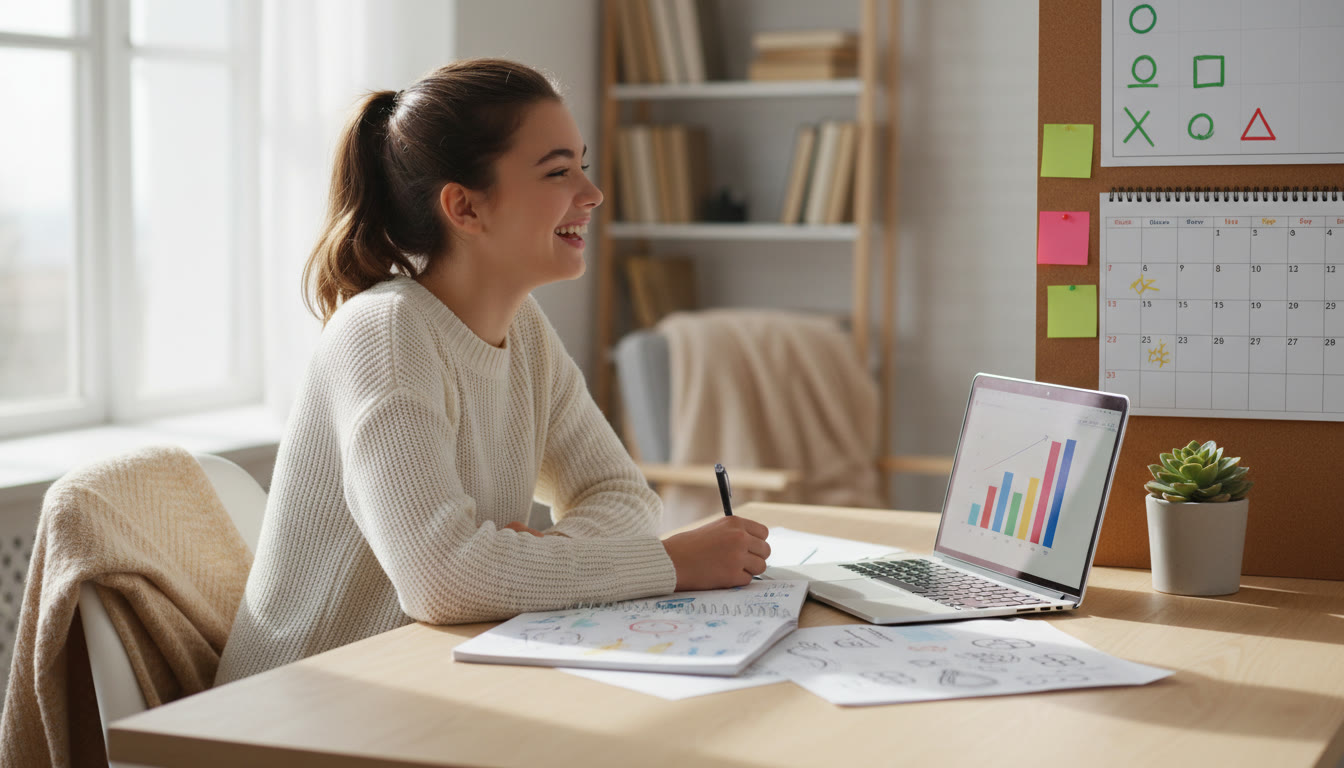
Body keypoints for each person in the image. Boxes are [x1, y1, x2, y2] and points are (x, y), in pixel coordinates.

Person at [214, 59, 770, 684]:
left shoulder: (523, 328)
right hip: (295, 702)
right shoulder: (385, 333)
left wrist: (548, 556)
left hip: (421, 681)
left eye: (582, 166)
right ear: (464, 207)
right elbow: (442, 580)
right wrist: (667, 564)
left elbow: (623, 496)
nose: (591, 194)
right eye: (558, 171)